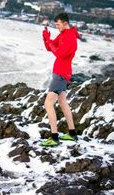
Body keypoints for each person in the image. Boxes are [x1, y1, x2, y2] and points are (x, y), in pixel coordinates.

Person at [40, 13, 80, 147]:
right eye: (55, 24)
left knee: (48, 103)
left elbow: (59, 53)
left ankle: (54, 137)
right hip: (60, 72)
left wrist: (50, 42)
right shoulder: (63, 34)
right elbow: (49, 47)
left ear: (65, 23)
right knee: (62, 102)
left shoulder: (70, 37)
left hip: (62, 73)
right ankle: (72, 133)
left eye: (58, 24)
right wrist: (46, 38)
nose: (56, 27)